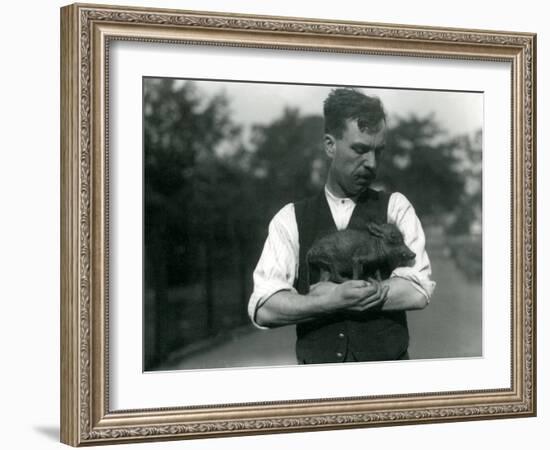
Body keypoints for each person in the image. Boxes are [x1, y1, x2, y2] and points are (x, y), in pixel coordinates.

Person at [248, 88, 435, 364]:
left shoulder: (395, 207)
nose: (371, 163)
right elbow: (265, 307)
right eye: (359, 149)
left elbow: (418, 290)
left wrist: (330, 297)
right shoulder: (290, 219)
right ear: (329, 145)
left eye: (378, 151)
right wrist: (330, 301)